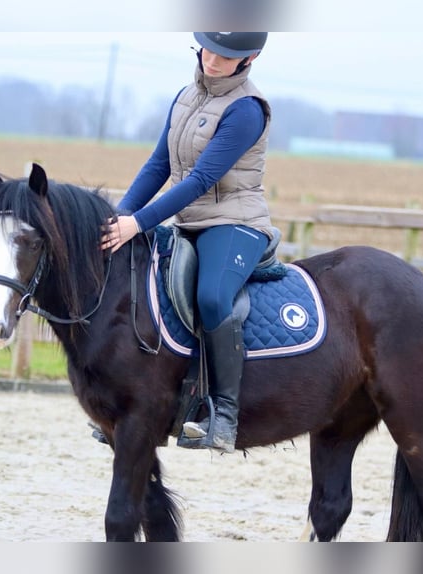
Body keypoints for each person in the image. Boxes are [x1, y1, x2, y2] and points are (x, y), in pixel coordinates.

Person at [101, 32, 273, 453]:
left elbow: (201, 180)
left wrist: (139, 223)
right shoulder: (185, 96)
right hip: (188, 221)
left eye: (227, 55)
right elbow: (159, 163)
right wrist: (120, 217)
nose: (213, 60)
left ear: (249, 58)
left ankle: (225, 413)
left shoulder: (247, 110)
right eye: (209, 49)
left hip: (235, 222)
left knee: (213, 297)